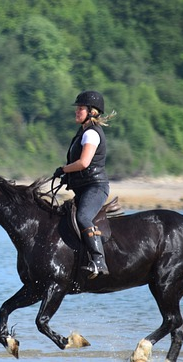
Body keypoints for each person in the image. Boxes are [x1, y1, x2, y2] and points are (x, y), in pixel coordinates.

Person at [53, 90, 114, 279]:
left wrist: (64, 169)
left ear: (92, 112)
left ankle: (98, 261)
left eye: (80, 109)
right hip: (85, 187)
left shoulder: (92, 134)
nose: (76, 112)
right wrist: (67, 177)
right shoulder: (83, 133)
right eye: (77, 108)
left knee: (83, 217)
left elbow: (84, 163)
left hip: (95, 188)